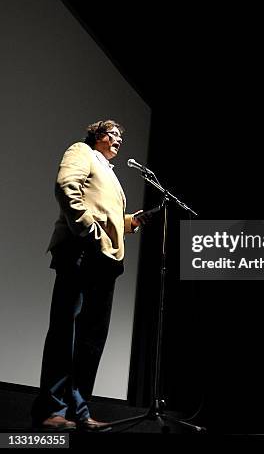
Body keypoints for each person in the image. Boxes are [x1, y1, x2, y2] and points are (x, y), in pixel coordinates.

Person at [31, 120, 145, 431]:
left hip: (106, 260)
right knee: (65, 334)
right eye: (113, 134)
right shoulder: (81, 151)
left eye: (121, 135)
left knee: (91, 341)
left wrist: (130, 222)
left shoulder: (110, 172)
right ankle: (51, 409)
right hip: (80, 252)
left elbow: (107, 216)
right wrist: (86, 230)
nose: (119, 139)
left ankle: (79, 411)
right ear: (97, 135)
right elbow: (66, 186)